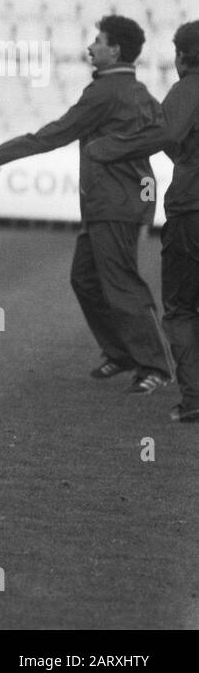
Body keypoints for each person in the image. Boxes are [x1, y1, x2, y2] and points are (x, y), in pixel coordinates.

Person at [0, 15, 170, 394]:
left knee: (121, 284)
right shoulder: (137, 92)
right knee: (86, 279)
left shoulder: (106, 91)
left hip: (114, 203)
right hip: (120, 200)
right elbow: (164, 134)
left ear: (115, 49)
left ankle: (155, 365)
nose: (90, 47)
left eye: (98, 40)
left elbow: (58, 132)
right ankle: (122, 353)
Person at [88, 21, 199, 423]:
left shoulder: (188, 87)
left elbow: (165, 132)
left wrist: (112, 148)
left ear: (183, 56)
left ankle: (192, 400)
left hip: (192, 212)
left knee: (183, 309)